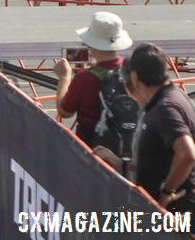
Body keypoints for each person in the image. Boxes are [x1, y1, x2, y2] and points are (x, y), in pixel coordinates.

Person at [122, 43, 195, 217]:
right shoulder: (172, 96)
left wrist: (166, 192)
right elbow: (157, 157)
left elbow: (188, 153)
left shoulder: (165, 108)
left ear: (135, 76)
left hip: (172, 212)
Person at [53, 12, 138, 163]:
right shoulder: (132, 71)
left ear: (90, 44)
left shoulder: (85, 79)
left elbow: (64, 111)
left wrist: (64, 78)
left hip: (93, 150)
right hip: (127, 147)